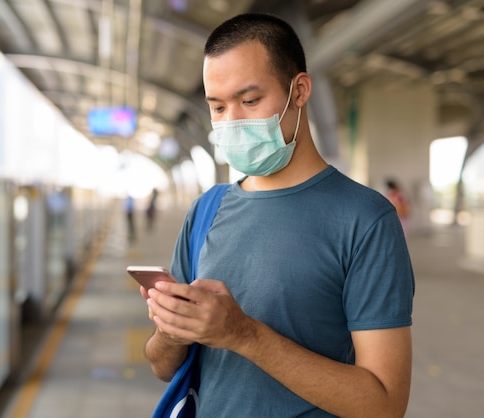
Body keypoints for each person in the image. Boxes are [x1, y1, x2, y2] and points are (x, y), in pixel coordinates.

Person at [140, 13, 415, 417]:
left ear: (299, 90)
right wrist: (171, 328)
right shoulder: (206, 209)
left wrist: (244, 335)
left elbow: (385, 404)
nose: (232, 121)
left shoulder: (366, 219)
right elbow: (162, 367)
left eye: (250, 100)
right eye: (217, 107)